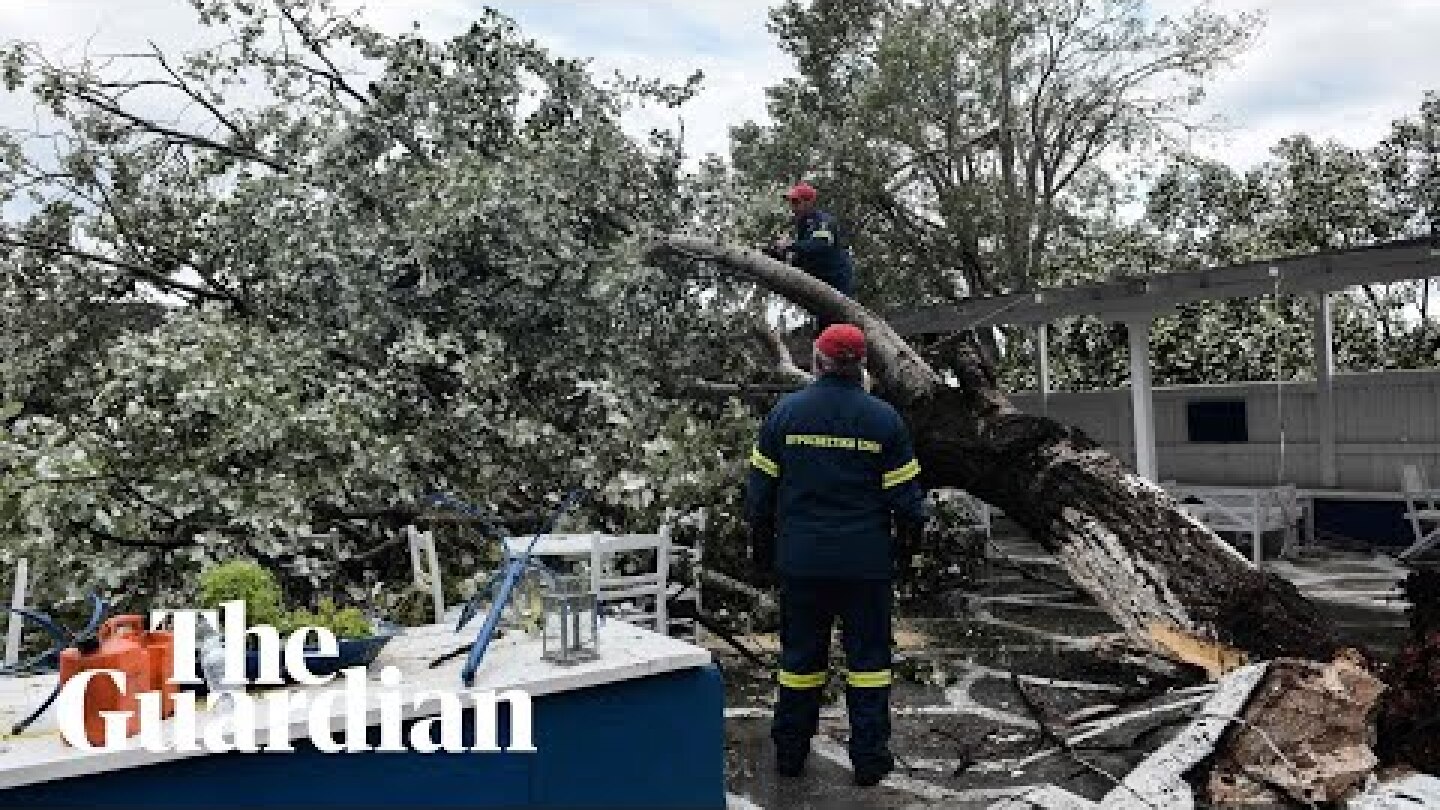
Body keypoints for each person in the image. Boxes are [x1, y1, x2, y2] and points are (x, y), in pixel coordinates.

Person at [744, 323, 927, 787]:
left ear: (818, 361)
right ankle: (869, 760)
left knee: (800, 662)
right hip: (866, 566)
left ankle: (790, 754)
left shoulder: (786, 414)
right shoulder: (884, 420)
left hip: (802, 563)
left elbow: (759, 496)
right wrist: (905, 556)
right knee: (869, 665)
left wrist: (762, 553)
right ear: (862, 364)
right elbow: (909, 506)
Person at [766, 182, 855, 300]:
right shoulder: (802, 225)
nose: (793, 207)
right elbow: (802, 257)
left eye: (796, 202)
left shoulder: (823, 221)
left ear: (809, 203)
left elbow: (820, 245)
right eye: (791, 202)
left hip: (836, 281)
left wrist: (790, 245)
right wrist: (779, 253)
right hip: (818, 281)